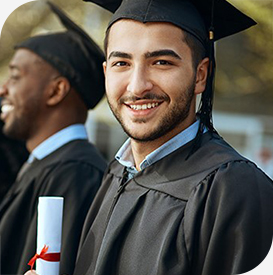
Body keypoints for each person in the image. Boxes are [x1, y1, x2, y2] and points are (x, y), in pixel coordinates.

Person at [26, 0, 273, 275]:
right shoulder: (118, 171)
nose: (137, 86)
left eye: (161, 62)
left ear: (200, 74)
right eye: (122, 63)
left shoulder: (233, 188)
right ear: (106, 72)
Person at [0, 2, 107, 275]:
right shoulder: (45, 163)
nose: (3, 89)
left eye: (15, 76)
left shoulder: (75, 173)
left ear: (56, 91)